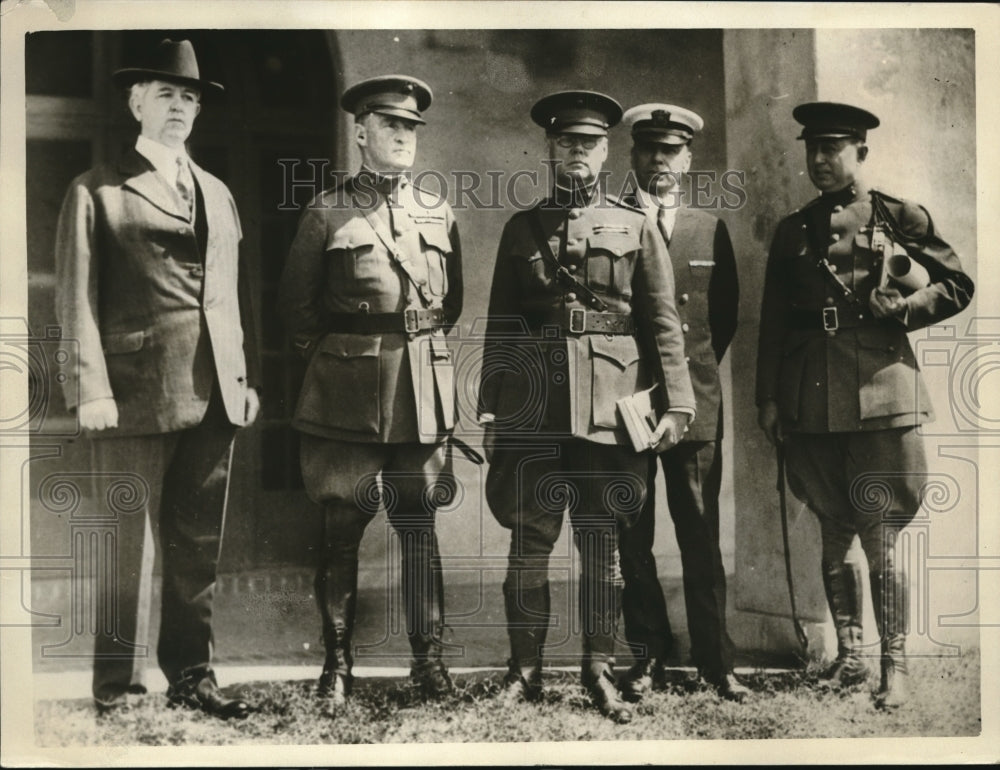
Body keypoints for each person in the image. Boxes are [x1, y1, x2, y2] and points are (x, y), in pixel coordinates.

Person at [54, 38, 261, 718]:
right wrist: (91, 388)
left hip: (214, 397)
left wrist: (243, 375)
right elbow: (76, 298)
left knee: (198, 548)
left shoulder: (219, 193)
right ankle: (117, 687)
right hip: (134, 396)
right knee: (124, 549)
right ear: (135, 101)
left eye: (190, 98)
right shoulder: (97, 191)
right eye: (167, 94)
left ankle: (193, 677)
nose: (180, 107)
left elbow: (229, 295)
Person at [478, 91, 696, 723]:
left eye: (590, 143)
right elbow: (502, 329)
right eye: (567, 141)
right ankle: (525, 672)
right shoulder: (524, 229)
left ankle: (599, 669)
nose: (578, 152)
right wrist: (493, 411)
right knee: (529, 543)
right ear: (550, 148)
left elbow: (662, 324)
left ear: (606, 152)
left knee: (602, 546)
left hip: (609, 408)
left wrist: (676, 403)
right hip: (536, 412)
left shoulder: (636, 226)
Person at [755, 101, 974, 708]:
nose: (820, 160)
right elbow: (773, 321)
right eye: (812, 149)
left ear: (861, 153)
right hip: (812, 395)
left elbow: (957, 284)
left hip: (882, 390)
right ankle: (850, 657)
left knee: (881, 533)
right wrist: (769, 398)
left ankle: (893, 666)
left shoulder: (899, 215)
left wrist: (904, 310)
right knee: (832, 526)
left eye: (833, 149)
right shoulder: (793, 229)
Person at [278, 75, 463, 707]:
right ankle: (337, 666)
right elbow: (297, 312)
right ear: (361, 133)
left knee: (419, 525)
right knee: (342, 527)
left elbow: (450, 304)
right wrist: (342, 366)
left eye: (411, 128)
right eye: (390, 126)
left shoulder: (438, 211)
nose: (403, 137)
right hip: (348, 394)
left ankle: (430, 663)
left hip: (420, 390)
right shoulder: (326, 211)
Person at [617, 103, 747, 702]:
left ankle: (715, 663)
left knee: (700, 533)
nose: (660, 161)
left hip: (694, 405)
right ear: (634, 156)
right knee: (632, 535)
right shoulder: (609, 219)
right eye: (649, 150)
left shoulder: (707, 227)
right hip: (627, 405)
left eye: (672, 151)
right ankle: (648, 658)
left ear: (688, 159)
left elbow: (721, 320)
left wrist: (686, 391)